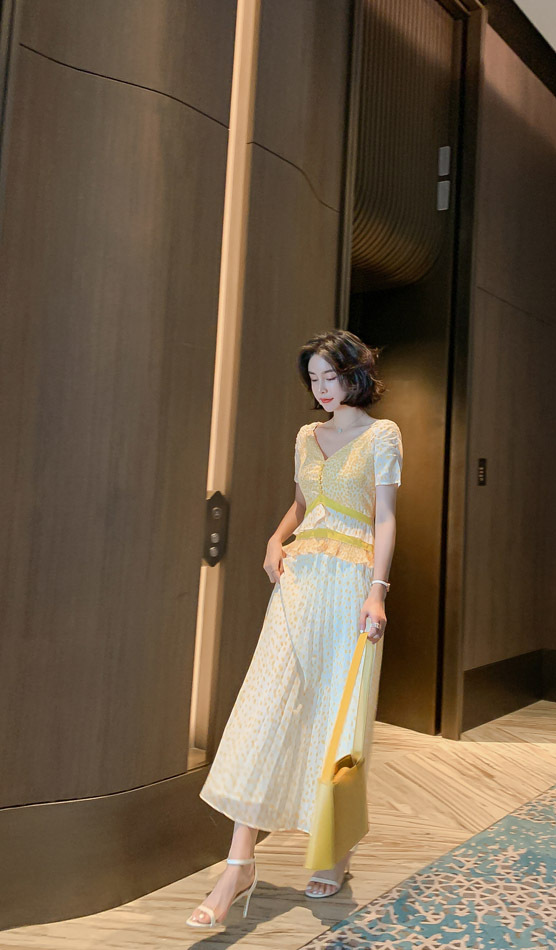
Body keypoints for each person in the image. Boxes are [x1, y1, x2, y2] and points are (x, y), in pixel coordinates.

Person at [186, 329, 403, 928]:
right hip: (299, 581)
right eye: (313, 378)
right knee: (266, 707)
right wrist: (275, 537)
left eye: (331, 376)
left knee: (339, 714)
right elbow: (306, 504)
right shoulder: (307, 436)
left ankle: (335, 846)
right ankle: (238, 863)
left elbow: (385, 518)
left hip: (352, 586)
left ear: (355, 374)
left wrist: (378, 592)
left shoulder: (382, 434)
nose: (322, 388)